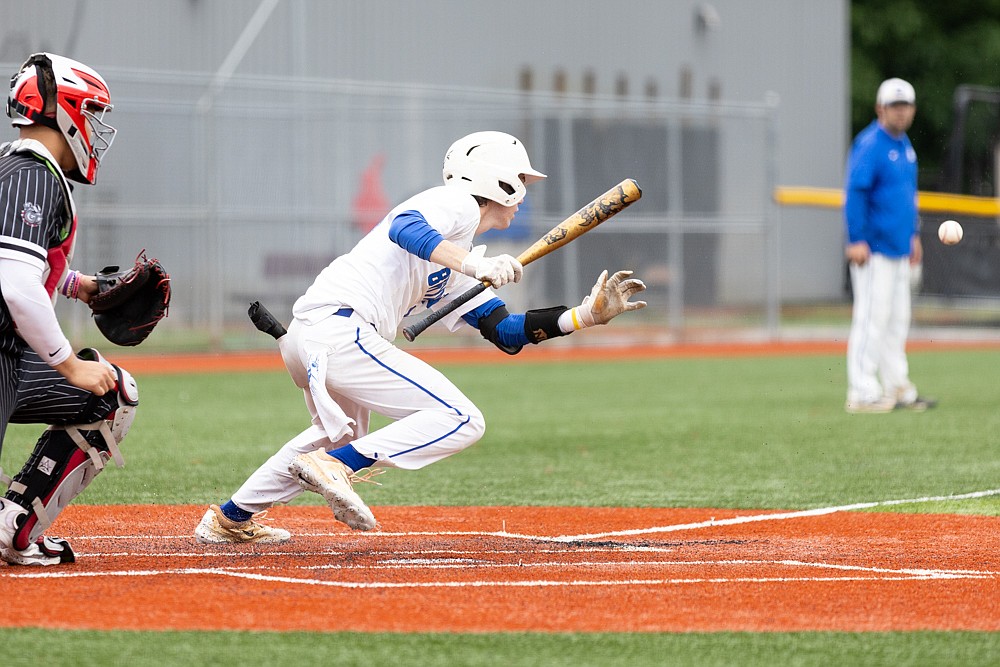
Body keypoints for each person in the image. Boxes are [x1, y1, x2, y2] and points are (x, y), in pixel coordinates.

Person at [195, 131, 646, 543]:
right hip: (339, 329)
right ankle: (337, 467)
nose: (524, 194)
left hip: (316, 336)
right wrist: (474, 266)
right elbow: (404, 227)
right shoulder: (457, 205)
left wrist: (585, 316)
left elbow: (506, 333)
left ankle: (229, 519)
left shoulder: (456, 252)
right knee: (462, 419)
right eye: (521, 180)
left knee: (334, 438)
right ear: (499, 181)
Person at [0, 53, 139, 565]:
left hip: (7, 360)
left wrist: (78, 285)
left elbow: (15, 264)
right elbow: (15, 283)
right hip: (2, 358)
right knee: (109, 388)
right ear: (64, 110)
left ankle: (17, 526)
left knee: (113, 389)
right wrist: (67, 363)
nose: (95, 127)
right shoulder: (33, 177)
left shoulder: (9, 167)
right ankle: (14, 525)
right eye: (91, 113)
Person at [843, 77, 935, 414]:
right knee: (871, 319)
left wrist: (913, 235)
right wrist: (855, 240)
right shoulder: (870, 143)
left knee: (898, 321)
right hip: (875, 249)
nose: (901, 111)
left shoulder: (905, 146)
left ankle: (898, 387)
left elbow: (906, 197)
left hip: (899, 248)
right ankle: (862, 391)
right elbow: (855, 193)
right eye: (895, 105)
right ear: (880, 108)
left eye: (906, 105)